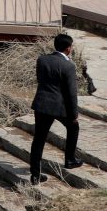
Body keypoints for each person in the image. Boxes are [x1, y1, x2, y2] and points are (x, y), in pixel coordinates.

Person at [28, 33, 82, 184]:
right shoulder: (68, 66)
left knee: (39, 139)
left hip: (41, 104)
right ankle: (70, 159)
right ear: (68, 49)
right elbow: (71, 93)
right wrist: (74, 113)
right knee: (74, 127)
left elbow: (40, 79)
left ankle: (35, 175)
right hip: (59, 106)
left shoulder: (42, 59)